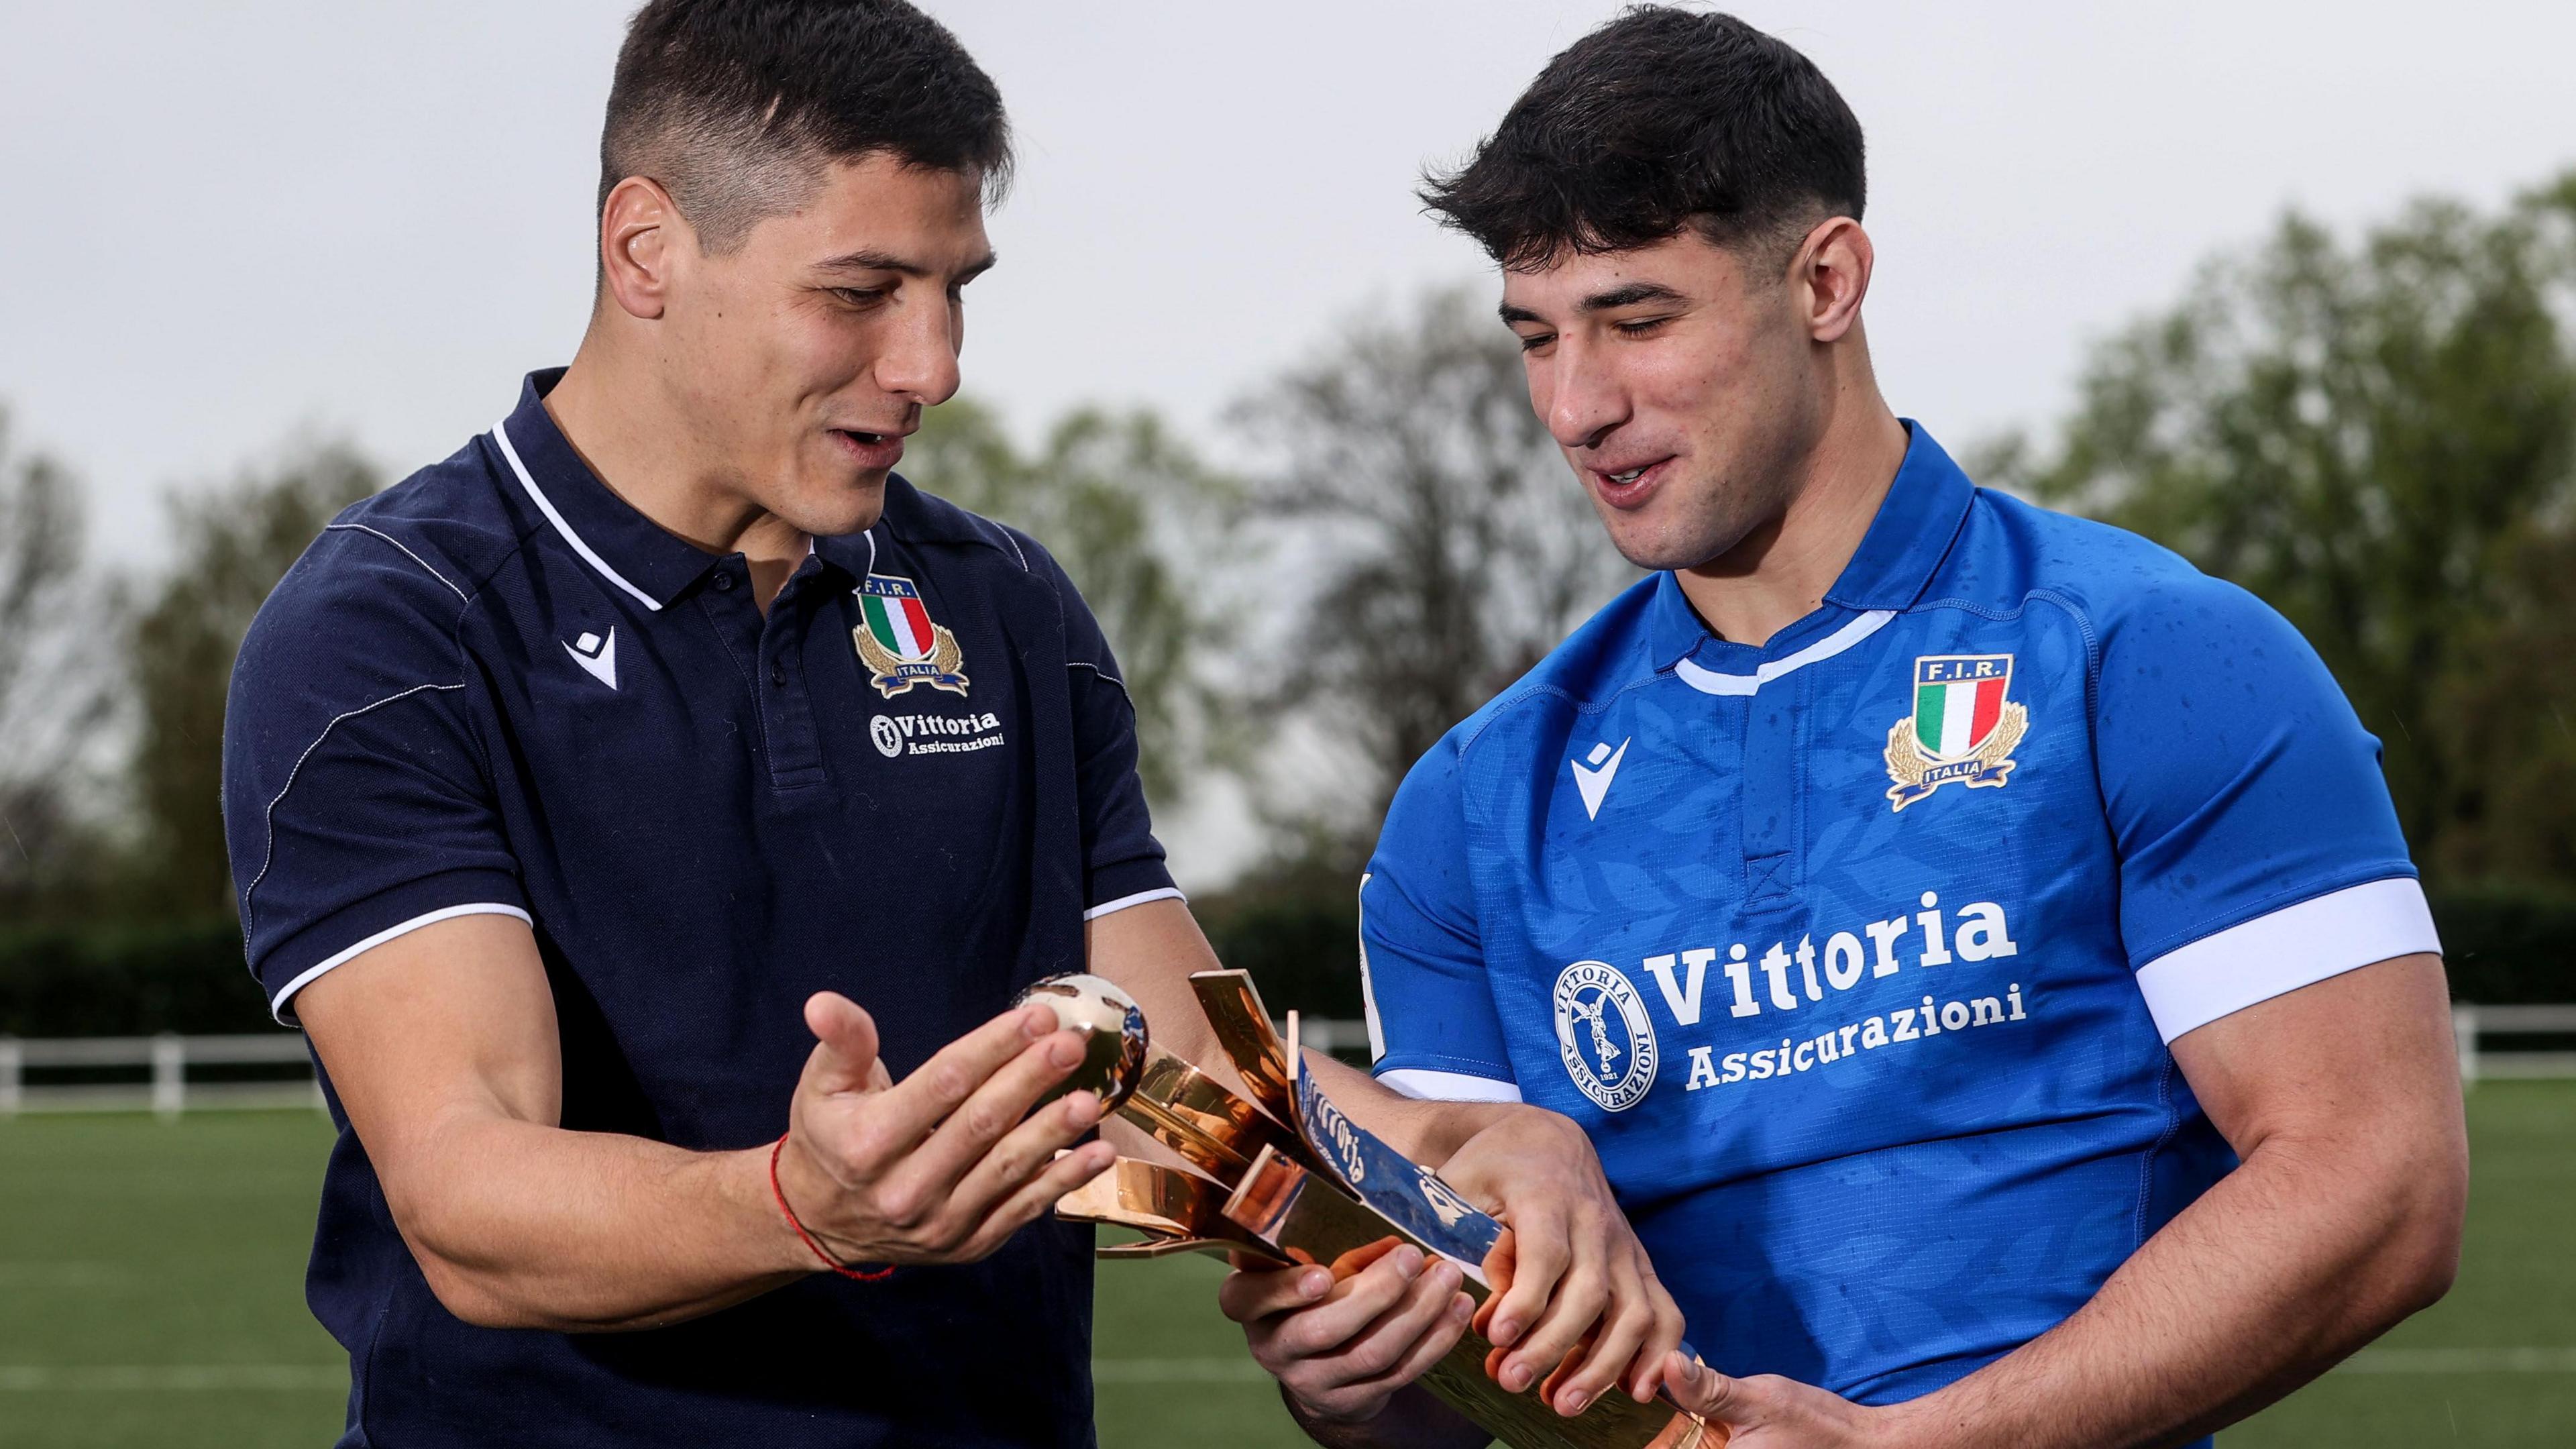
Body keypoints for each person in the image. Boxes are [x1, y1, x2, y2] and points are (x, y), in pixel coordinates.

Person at [219, 3, 1671, 1445]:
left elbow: (1193, 1075)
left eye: (955, 287)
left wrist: (1466, 1146)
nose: (933, 365)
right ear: (647, 248)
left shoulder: (1007, 607)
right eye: (861, 292)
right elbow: (471, 1198)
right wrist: (800, 1205)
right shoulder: (392, 628)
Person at [1222, 10, 2469, 1448]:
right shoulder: (1477, 803)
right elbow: (1455, 1387)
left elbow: (2380, 1187)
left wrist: (1920, 1448)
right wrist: (1359, 1369)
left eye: (1638, 321)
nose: (1577, 405)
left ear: (1826, 279)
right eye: (1536, 338)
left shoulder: (2152, 657)